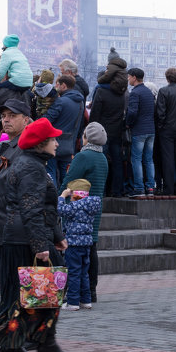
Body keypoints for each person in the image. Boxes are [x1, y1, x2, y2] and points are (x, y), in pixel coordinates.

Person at [0, 117, 74, 352]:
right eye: (52, 139)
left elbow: (41, 208)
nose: (57, 143)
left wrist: (57, 237)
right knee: (50, 288)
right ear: (41, 143)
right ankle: (41, 343)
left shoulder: (30, 164)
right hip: (23, 238)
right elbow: (31, 210)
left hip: (18, 236)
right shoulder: (31, 167)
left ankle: (14, 345)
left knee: (22, 294)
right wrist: (42, 246)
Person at [62, 123, 110, 304]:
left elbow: (69, 181)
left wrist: (60, 198)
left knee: (75, 254)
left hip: (77, 209)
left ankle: (74, 293)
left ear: (86, 138)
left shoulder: (83, 156)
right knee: (91, 247)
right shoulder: (102, 157)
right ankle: (90, 292)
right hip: (93, 210)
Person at [57, 179, 101, 312]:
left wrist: (62, 196)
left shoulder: (75, 206)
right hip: (86, 244)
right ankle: (85, 300)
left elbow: (60, 210)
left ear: (75, 194)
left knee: (74, 273)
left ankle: (73, 302)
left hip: (74, 244)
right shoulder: (90, 205)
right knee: (83, 273)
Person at [91, 54, 128, 197]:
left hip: (102, 132)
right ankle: (117, 191)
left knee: (101, 162)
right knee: (118, 163)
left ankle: (101, 191)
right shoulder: (121, 93)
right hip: (116, 132)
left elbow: (95, 113)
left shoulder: (101, 91)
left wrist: (91, 130)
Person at [153, 67, 176, 196]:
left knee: (168, 159)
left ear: (167, 78)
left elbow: (160, 112)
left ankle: (168, 189)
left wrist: (161, 126)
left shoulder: (163, 91)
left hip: (167, 131)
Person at [44, 74, 85, 183]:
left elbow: (47, 119)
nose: (56, 87)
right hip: (69, 145)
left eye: (57, 84)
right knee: (66, 177)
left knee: (50, 172)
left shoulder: (61, 101)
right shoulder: (80, 103)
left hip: (53, 143)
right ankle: (65, 198)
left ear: (64, 86)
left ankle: (52, 199)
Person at [125, 68, 156, 197]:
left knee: (136, 159)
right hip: (151, 130)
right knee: (149, 160)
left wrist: (128, 123)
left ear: (134, 77)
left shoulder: (135, 93)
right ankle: (150, 188)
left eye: (129, 77)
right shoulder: (148, 92)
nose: (128, 79)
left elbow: (132, 112)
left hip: (139, 130)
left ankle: (138, 189)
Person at [0, 35, 32, 112]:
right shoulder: (20, 53)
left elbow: (0, 72)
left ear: (6, 44)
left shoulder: (6, 53)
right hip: (28, 83)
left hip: (17, 81)